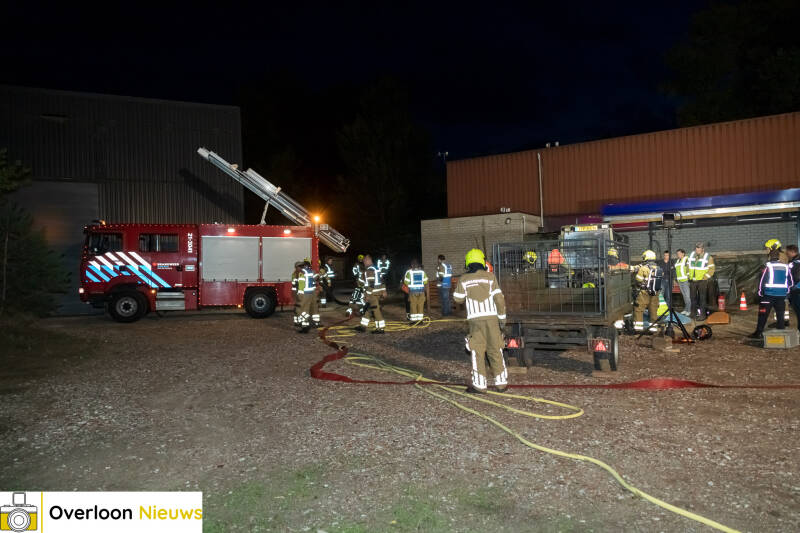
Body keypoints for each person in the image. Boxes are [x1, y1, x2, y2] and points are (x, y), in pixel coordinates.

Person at [452, 248, 508, 394]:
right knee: (496, 350)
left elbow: (457, 298)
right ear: (483, 261)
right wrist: (502, 319)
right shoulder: (491, 277)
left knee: (477, 351)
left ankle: (480, 385)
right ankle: (501, 384)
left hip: (475, 321)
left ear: (468, 262)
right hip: (492, 319)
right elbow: (499, 299)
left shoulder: (464, 279)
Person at [748, 248, 793, 339]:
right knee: (780, 316)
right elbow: (791, 282)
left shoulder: (768, 267)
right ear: (778, 257)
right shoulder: (785, 267)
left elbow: (762, 281)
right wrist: (786, 291)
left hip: (768, 296)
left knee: (763, 315)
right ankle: (781, 334)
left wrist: (760, 292)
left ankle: (759, 333)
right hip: (781, 296)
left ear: (769, 257)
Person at [633, 250, 662, 332]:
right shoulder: (658, 268)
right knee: (653, 311)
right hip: (655, 293)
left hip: (644, 293)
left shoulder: (643, 268)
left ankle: (638, 329)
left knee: (639, 309)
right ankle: (653, 329)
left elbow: (638, 279)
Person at [356, 255, 386, 334]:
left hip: (373, 294)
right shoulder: (376, 268)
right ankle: (363, 326)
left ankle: (380, 328)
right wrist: (384, 290)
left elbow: (371, 284)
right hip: (377, 293)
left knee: (376, 311)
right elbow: (382, 281)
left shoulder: (369, 270)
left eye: (365, 261)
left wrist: (367, 296)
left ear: (368, 261)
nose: (364, 263)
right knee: (368, 309)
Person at [688, 242, 715, 321]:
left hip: (702, 281)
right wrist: (688, 275)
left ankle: (702, 315)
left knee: (702, 298)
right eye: (696, 248)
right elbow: (687, 265)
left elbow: (712, 269)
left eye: (699, 248)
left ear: (703, 249)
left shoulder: (708, 257)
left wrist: (705, 277)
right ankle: (693, 313)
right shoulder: (691, 255)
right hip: (693, 280)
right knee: (692, 298)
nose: (697, 250)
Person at [297, 261, 320, 333]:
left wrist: (299, 295)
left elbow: (301, 285)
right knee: (312, 308)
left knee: (303, 310)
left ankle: (305, 327)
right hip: (311, 293)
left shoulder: (302, 272)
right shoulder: (311, 271)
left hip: (305, 294)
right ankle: (314, 323)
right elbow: (317, 277)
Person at [674, 249, 692, 315]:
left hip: (685, 280)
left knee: (687, 296)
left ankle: (689, 310)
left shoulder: (686, 259)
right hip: (680, 281)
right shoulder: (678, 261)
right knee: (684, 296)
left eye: (679, 253)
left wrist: (689, 278)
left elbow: (689, 269)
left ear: (683, 253)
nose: (678, 255)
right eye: (677, 254)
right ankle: (685, 309)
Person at [787, 244, 800, 333]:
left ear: (792, 251)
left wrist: (793, 288)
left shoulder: (794, 264)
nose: (786, 254)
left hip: (797, 292)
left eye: (787, 252)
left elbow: (794, 277)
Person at [290, 261, 304, 327]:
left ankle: (297, 321)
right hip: (298, 293)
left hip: (297, 292)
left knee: (297, 307)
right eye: (300, 266)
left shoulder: (295, 273)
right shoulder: (297, 274)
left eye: (302, 266)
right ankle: (299, 321)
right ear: (296, 267)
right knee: (299, 308)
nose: (301, 267)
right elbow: (297, 284)